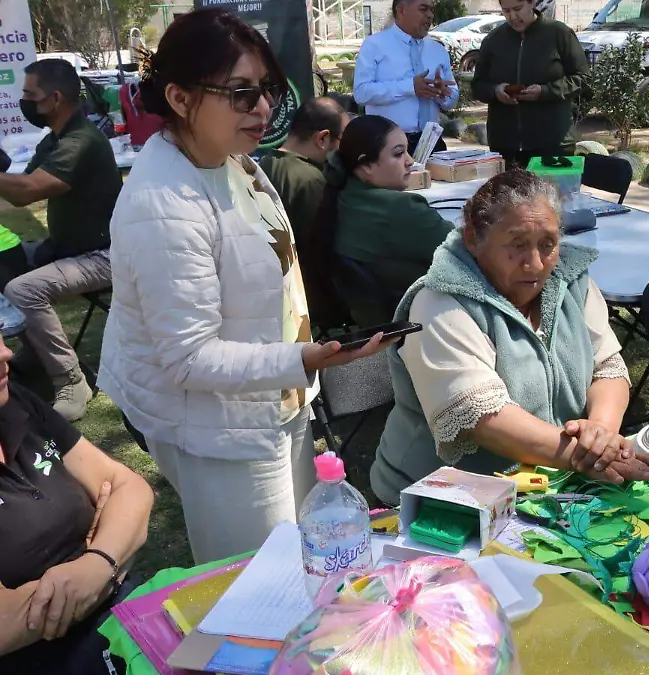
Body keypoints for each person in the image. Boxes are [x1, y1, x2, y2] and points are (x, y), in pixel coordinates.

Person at [98, 8, 391, 565]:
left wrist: (304, 361)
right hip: (215, 426)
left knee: (309, 552)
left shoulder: (235, 161)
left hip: (277, 396)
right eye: (239, 93)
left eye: (268, 91)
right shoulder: (163, 205)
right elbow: (187, 359)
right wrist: (306, 357)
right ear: (180, 98)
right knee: (260, 579)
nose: (262, 109)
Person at [371, 168, 649, 502]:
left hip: (547, 486)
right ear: (473, 239)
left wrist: (601, 433)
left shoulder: (571, 281)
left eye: (548, 244)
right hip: (442, 501)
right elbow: (481, 418)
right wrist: (589, 456)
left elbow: (608, 367)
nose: (536, 263)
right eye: (517, 244)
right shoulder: (438, 302)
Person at [0, 337, 154, 675]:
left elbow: (130, 488)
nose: (6, 352)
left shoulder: (15, 403)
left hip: (131, 619)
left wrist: (97, 562)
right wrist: (115, 557)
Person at [0, 59, 123, 422]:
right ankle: (36, 354)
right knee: (6, 262)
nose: (24, 102)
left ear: (53, 99)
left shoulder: (81, 141)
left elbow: (28, 191)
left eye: (29, 95)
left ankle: (71, 381)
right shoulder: (56, 139)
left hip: (105, 255)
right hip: (71, 248)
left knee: (25, 290)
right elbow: (19, 186)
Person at [310, 114, 453, 327]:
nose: (410, 161)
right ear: (366, 165)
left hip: (377, 325)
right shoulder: (401, 210)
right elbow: (470, 252)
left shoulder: (341, 197)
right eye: (398, 154)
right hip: (426, 322)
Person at [471, 0, 588, 168]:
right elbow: (478, 86)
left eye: (518, 9)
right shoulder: (493, 40)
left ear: (532, 3)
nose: (512, 16)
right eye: (506, 11)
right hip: (505, 146)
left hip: (554, 144)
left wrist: (546, 91)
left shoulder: (559, 34)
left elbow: (583, 78)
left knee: (555, 195)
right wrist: (496, 90)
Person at [354, 0, 458, 154]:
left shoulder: (437, 50)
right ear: (401, 10)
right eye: (423, 9)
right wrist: (410, 87)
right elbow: (361, 93)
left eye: (431, 10)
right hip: (388, 144)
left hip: (432, 142)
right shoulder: (374, 45)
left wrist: (441, 93)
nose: (430, 15)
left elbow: (452, 98)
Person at [259, 96, 350, 246]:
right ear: (322, 139)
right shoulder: (312, 181)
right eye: (343, 139)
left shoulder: (264, 163)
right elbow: (317, 249)